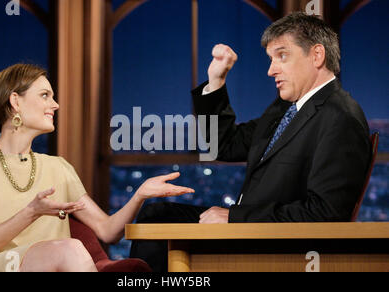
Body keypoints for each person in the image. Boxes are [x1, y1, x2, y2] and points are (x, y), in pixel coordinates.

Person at [130, 12, 372, 272]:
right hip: (245, 230)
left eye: (282, 56)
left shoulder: (341, 117)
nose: (270, 70)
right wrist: (216, 81)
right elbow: (225, 145)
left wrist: (234, 218)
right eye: (270, 59)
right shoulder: (286, 109)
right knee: (157, 216)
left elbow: (325, 213)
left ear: (316, 55)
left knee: (158, 224)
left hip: (272, 248)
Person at [0, 64, 195, 272]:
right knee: (70, 249)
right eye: (45, 96)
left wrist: (140, 194)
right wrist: (32, 212)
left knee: (69, 250)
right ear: (15, 101)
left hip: (54, 266)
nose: (56, 105)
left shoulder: (58, 167)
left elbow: (108, 231)